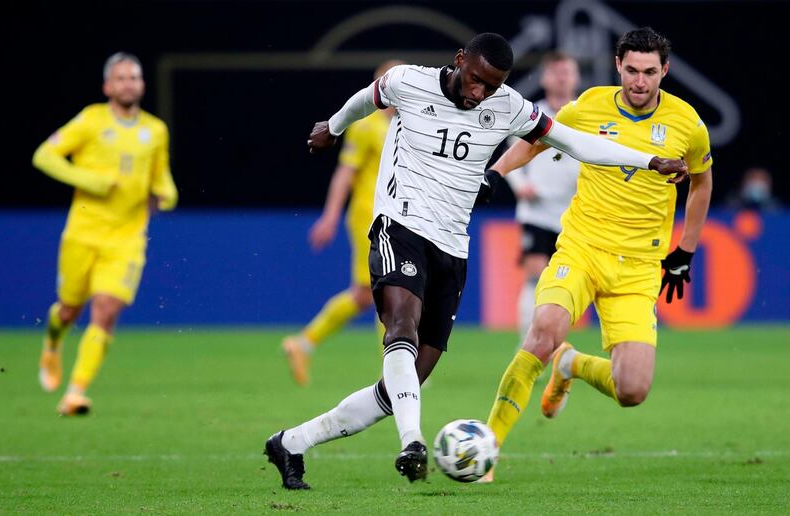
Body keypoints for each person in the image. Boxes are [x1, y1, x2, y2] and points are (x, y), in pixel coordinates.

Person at [264, 32, 686, 490]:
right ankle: (412, 442)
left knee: (402, 384)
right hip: (399, 226)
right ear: (459, 59)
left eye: (493, 84)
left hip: (451, 247)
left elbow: (577, 143)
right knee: (400, 328)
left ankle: (292, 442)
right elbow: (365, 100)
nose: (479, 92)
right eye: (476, 80)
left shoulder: (507, 106)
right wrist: (333, 126)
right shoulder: (407, 81)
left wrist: (649, 161)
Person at [482, 27, 713, 482]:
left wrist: (685, 249)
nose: (640, 82)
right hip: (582, 248)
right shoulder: (587, 106)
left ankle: (570, 364)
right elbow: (534, 138)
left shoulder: (688, 124)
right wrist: (493, 173)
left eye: (649, 72)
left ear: (664, 71)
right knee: (543, 329)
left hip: (639, 266)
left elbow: (702, 184)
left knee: (632, 390)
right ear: (617, 67)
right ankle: (486, 448)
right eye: (631, 70)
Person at [33, 52, 178, 416]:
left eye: (134, 78)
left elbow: (161, 178)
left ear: (142, 84)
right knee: (68, 311)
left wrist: (169, 194)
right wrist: (92, 181)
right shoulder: (90, 120)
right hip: (83, 232)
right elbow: (44, 156)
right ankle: (52, 345)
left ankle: (75, 393)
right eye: (122, 78)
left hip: (127, 238)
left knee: (106, 310)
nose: (129, 84)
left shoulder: (155, 130)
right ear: (108, 86)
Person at [281, 60, 404, 387]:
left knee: (366, 295)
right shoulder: (366, 126)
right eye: (388, 81)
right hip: (369, 217)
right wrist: (330, 215)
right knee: (386, 288)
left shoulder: (409, 124)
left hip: (397, 217)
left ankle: (303, 343)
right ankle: (395, 369)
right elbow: (345, 173)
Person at [503, 51, 581, 340]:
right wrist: (519, 185)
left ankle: (555, 342)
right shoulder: (531, 115)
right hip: (536, 211)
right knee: (535, 279)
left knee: (569, 284)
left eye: (567, 72)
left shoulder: (587, 115)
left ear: (576, 77)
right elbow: (508, 156)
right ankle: (529, 346)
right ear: (546, 77)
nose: (562, 78)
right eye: (556, 72)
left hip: (575, 214)